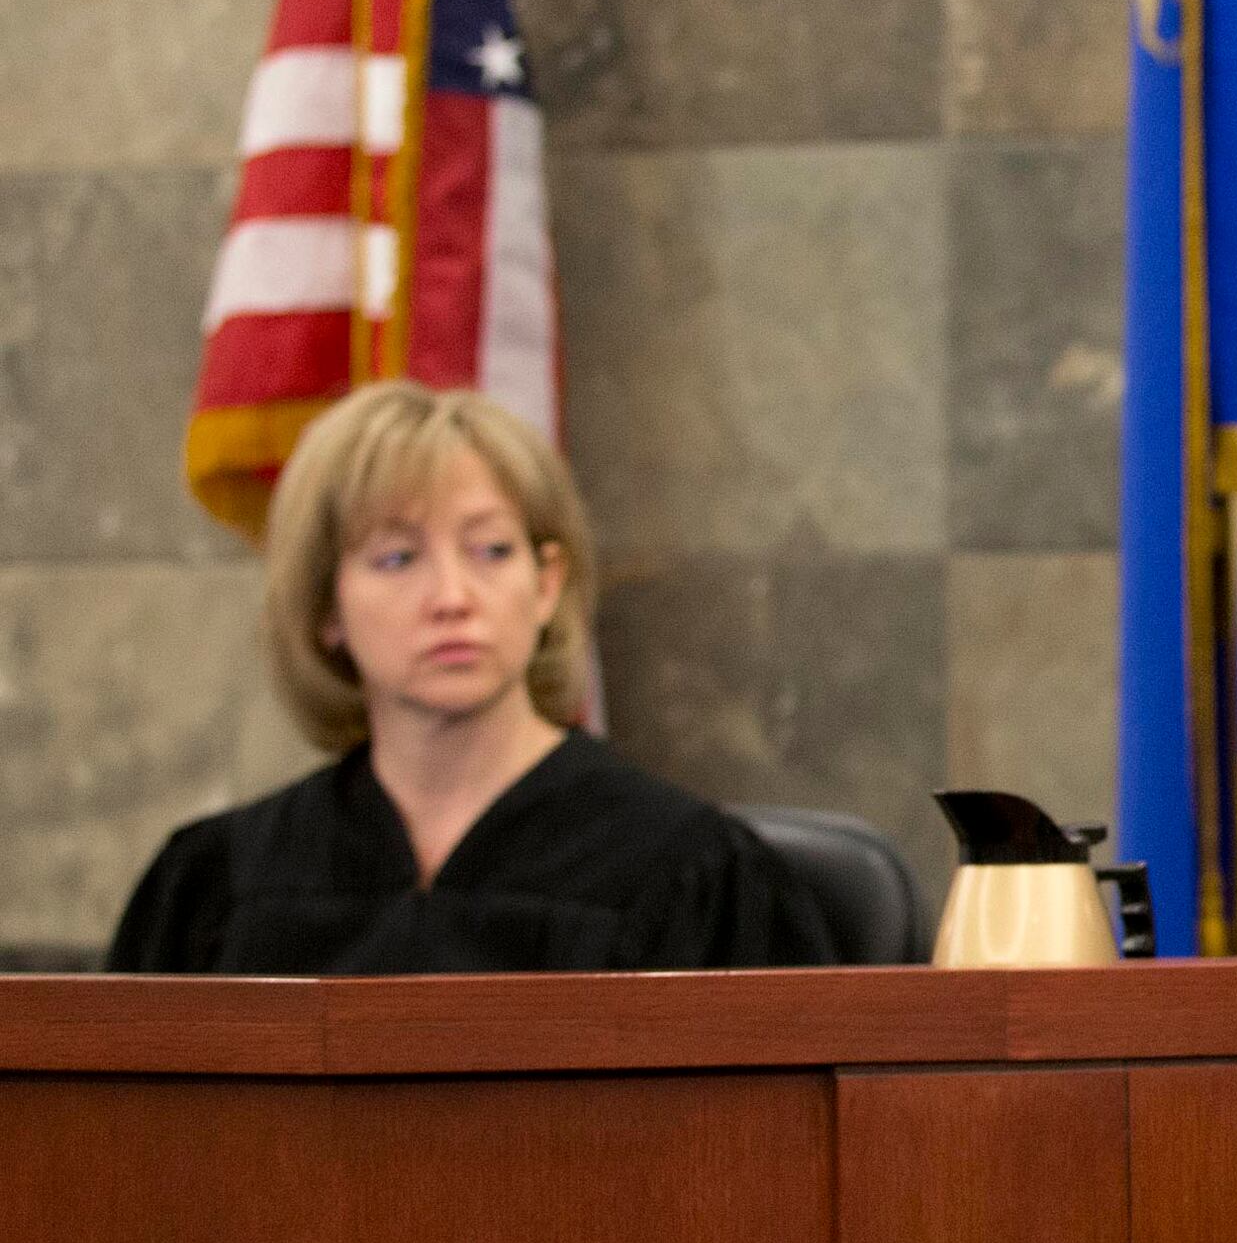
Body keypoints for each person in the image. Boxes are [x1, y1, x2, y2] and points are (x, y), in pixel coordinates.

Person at [108, 382, 839, 975]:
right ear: (326, 605)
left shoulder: (694, 874)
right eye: (397, 558)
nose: (453, 597)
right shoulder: (215, 885)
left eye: (490, 550)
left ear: (547, 585)